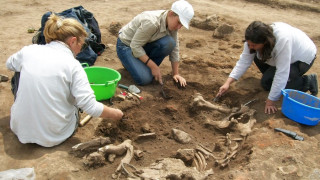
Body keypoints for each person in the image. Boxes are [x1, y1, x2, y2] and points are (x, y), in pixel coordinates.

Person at [6, 14, 123, 147]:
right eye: (81, 44)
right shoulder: (73, 65)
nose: (80, 49)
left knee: (19, 68)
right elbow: (90, 107)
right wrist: (116, 114)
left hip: (19, 129)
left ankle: (28, 113)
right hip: (54, 136)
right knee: (73, 93)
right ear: (72, 41)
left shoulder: (29, 51)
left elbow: (9, 64)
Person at [216, 21, 318, 114]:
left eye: (254, 45)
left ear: (265, 42)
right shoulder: (253, 39)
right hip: (279, 56)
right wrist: (228, 83)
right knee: (256, 56)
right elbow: (244, 60)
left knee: (267, 83)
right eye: (249, 44)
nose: (250, 47)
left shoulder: (282, 41)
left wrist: (271, 100)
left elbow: (282, 72)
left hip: (301, 58)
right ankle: (273, 78)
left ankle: (306, 82)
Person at [116, 0, 194, 86]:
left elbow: (174, 48)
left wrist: (176, 73)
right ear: (171, 13)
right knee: (145, 79)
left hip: (144, 45)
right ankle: (131, 63)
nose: (179, 27)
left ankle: (139, 65)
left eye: (182, 25)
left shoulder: (171, 23)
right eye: (179, 22)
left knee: (170, 43)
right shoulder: (152, 22)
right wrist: (153, 66)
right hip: (126, 46)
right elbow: (135, 46)